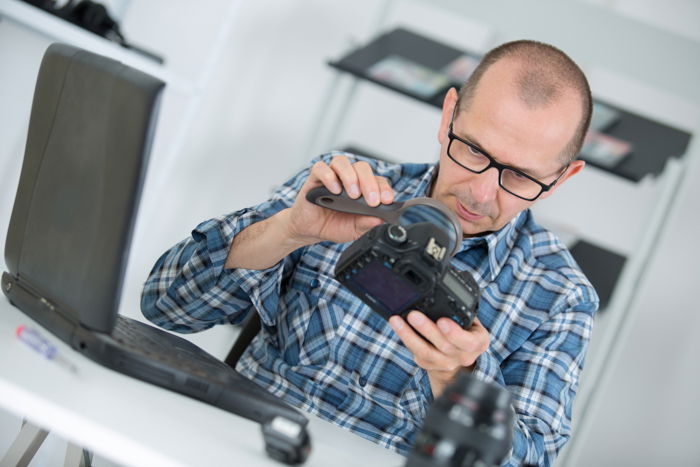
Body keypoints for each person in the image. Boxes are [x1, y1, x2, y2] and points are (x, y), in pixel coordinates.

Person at [141, 39, 598, 466]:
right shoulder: (348, 189)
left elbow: (530, 458)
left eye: (520, 177)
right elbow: (165, 305)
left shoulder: (561, 297)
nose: (480, 193)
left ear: (562, 178)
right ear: (449, 116)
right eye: (474, 151)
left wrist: (457, 381)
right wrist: (288, 230)